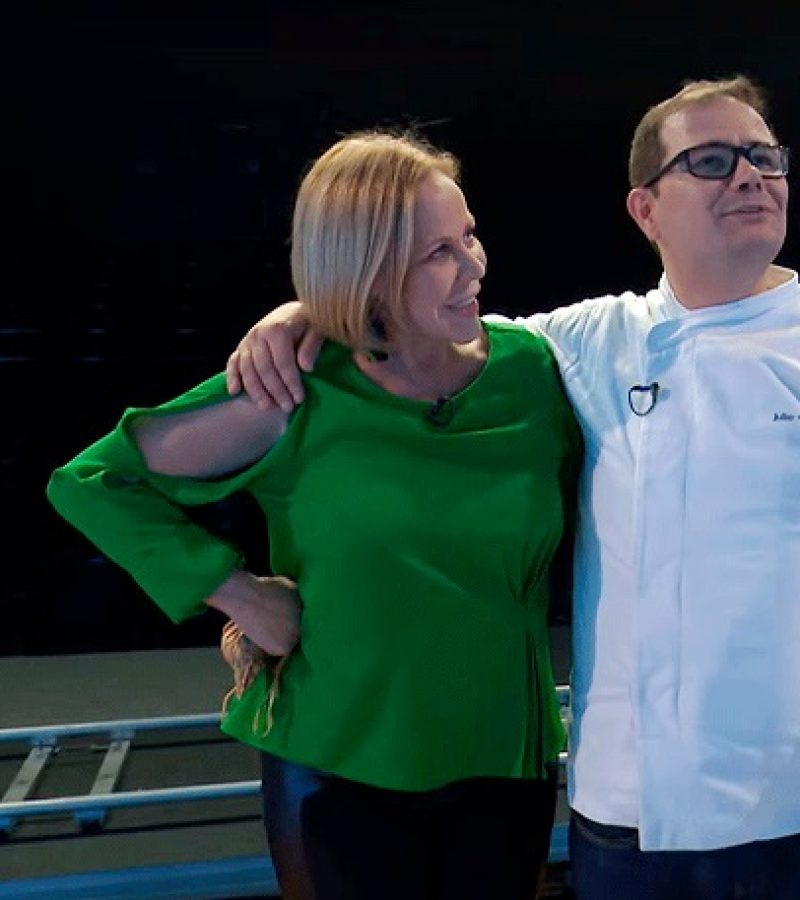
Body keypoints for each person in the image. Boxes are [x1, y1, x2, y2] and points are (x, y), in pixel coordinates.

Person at [228, 77, 800, 900]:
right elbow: (423, 332)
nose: (750, 176)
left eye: (765, 158)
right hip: (625, 829)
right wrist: (310, 313)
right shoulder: (581, 346)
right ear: (645, 210)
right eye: (711, 161)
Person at [47, 130, 580, 900]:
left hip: (503, 763)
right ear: (365, 272)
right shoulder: (294, 383)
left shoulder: (534, 372)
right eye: (438, 252)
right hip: (336, 771)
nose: (474, 266)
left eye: (468, 235)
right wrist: (238, 593)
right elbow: (90, 483)